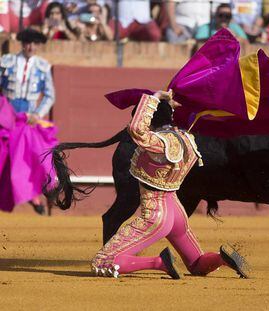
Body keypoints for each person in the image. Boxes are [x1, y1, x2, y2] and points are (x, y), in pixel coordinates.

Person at [91, 90, 249, 279]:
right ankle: (220, 259)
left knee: (102, 262)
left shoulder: (158, 143)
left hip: (155, 215)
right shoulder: (187, 138)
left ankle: (159, 262)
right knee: (197, 263)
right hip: (177, 213)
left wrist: (154, 98)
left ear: (150, 119)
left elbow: (136, 129)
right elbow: (162, 122)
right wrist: (168, 107)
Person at [0, 28, 55, 214]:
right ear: (22, 43)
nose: (30, 46)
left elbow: (49, 96)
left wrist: (38, 115)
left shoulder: (43, 67)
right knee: (4, 160)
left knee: (29, 160)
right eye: (27, 43)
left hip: (27, 121)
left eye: (33, 43)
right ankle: (32, 198)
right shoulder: (6, 62)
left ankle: (33, 195)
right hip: (6, 119)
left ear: (38, 45)